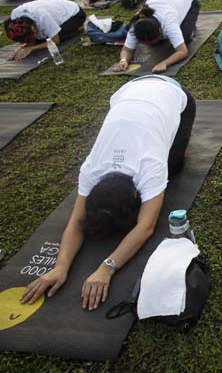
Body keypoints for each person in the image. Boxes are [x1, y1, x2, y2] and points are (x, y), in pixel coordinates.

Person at [20, 75, 197, 309]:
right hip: (128, 90)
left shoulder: (150, 167)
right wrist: (60, 266)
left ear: (137, 195)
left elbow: (145, 227)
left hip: (174, 92)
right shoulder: (91, 169)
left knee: (174, 169)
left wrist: (107, 269)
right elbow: (76, 222)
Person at [114, 0, 201, 74]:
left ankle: (190, 27)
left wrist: (165, 63)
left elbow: (182, 51)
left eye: (153, 41)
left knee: (185, 37)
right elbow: (127, 50)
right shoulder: (136, 24)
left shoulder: (168, 22)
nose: (151, 44)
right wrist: (123, 60)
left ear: (160, 30)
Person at [3, 0, 85, 61]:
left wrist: (31, 48)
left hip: (74, 13)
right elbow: (30, 38)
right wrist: (23, 47)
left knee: (54, 37)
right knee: (41, 38)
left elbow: (55, 41)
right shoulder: (15, 15)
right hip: (55, 9)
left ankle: (78, 28)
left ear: (33, 28)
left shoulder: (43, 17)